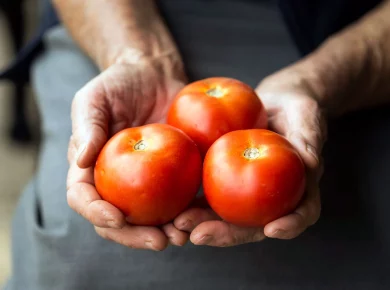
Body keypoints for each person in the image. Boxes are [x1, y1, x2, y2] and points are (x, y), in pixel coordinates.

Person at [1, 0, 390, 289]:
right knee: (75, 242)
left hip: (346, 29)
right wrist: (136, 54)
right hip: (121, 18)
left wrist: (316, 84)